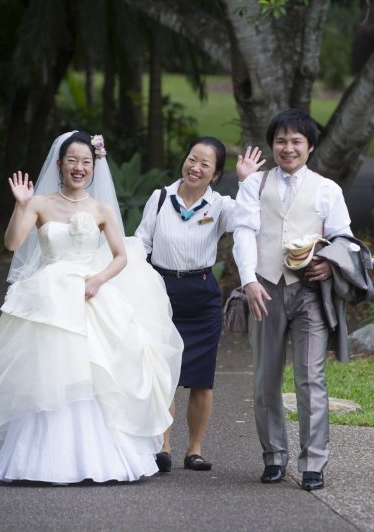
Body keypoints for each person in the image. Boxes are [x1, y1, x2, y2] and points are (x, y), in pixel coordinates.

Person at [0, 131, 183, 484]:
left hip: (91, 295)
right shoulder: (40, 203)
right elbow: (13, 242)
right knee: (50, 369)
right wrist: (20, 204)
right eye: (73, 161)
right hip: (49, 297)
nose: (79, 168)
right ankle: (40, 460)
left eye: (86, 162)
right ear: (59, 164)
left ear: (94, 167)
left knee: (94, 370)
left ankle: (99, 458)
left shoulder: (101, 209)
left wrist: (98, 280)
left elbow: (121, 256)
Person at [232, 109, 353, 491]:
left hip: (310, 295)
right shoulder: (254, 185)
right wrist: (249, 281)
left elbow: (345, 240)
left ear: (310, 146)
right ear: (272, 145)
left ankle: (314, 462)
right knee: (265, 378)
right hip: (264, 288)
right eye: (281, 141)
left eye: (296, 141)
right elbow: (243, 234)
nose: (288, 148)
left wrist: (331, 267)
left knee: (310, 379)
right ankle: (274, 457)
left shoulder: (327, 189)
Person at [135, 137, 264, 472]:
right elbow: (141, 242)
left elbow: (249, 223)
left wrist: (246, 183)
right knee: (162, 373)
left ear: (216, 173)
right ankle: (162, 446)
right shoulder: (160, 197)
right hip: (159, 291)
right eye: (192, 159)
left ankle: (194, 450)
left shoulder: (220, 206)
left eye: (205, 165)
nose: (195, 168)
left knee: (201, 378)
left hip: (202, 295)